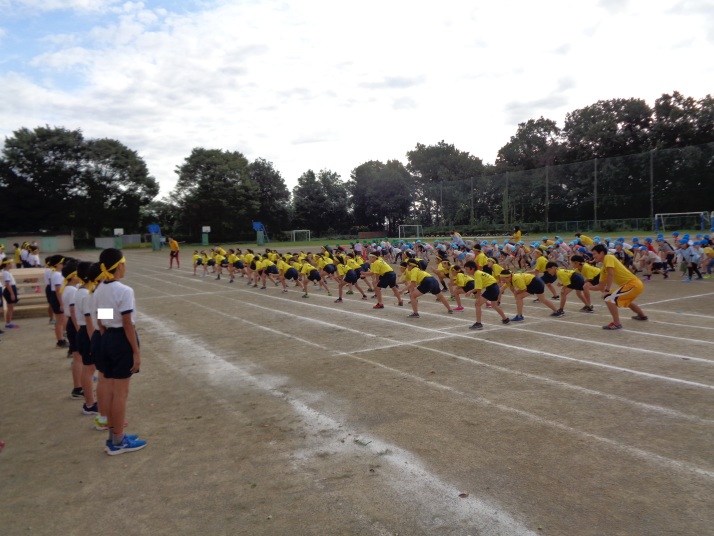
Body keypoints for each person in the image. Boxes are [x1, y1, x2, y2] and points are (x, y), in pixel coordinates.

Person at [94, 248, 146, 455]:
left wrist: (108, 338)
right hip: (121, 340)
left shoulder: (100, 288)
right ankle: (118, 440)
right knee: (121, 394)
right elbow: (127, 323)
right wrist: (136, 352)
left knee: (113, 391)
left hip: (107, 338)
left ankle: (114, 436)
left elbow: (102, 319)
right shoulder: (124, 290)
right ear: (119, 265)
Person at [586, 244, 648, 330]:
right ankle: (642, 316)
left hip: (633, 284)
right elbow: (601, 286)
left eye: (594, 254)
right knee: (627, 302)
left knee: (608, 298)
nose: (593, 256)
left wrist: (607, 291)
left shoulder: (608, 257)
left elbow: (611, 274)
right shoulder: (604, 268)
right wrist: (588, 287)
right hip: (633, 285)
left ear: (602, 253)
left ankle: (617, 323)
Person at [462, 261, 510, 329]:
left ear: (472, 268)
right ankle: (505, 319)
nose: (466, 271)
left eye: (467, 269)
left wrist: (478, 298)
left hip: (491, 289)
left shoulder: (477, 274)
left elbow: (479, 289)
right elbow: (479, 286)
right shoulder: (479, 273)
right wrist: (470, 291)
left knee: (477, 304)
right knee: (494, 306)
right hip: (495, 287)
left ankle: (478, 324)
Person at [1, 258, 20, 329]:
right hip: (9, 290)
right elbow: (7, 284)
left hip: (12, 289)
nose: (12, 264)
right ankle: (8, 323)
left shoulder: (7, 272)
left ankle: (9, 322)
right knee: (10, 307)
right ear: (7, 264)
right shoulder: (5, 273)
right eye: (11, 263)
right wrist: (12, 293)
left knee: (11, 307)